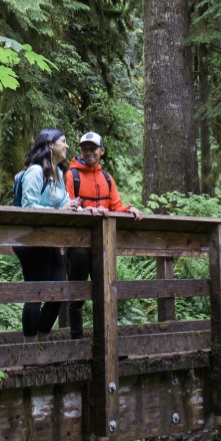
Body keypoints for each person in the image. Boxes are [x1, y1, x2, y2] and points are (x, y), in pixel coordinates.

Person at [63, 131, 143, 339]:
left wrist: (129, 209)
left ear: (102, 151)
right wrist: (89, 211)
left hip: (103, 246)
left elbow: (115, 206)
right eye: (84, 148)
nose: (88, 152)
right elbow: (67, 206)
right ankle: (77, 340)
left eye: (92, 148)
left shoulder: (107, 178)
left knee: (106, 293)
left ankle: (104, 340)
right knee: (77, 295)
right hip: (78, 246)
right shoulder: (72, 175)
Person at [15, 128, 81, 339]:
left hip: (48, 239)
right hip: (30, 239)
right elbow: (28, 206)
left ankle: (41, 343)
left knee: (59, 291)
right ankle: (30, 347)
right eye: (63, 141)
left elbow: (63, 203)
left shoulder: (58, 173)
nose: (67, 146)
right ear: (51, 145)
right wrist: (58, 211)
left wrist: (79, 208)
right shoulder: (35, 172)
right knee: (36, 292)